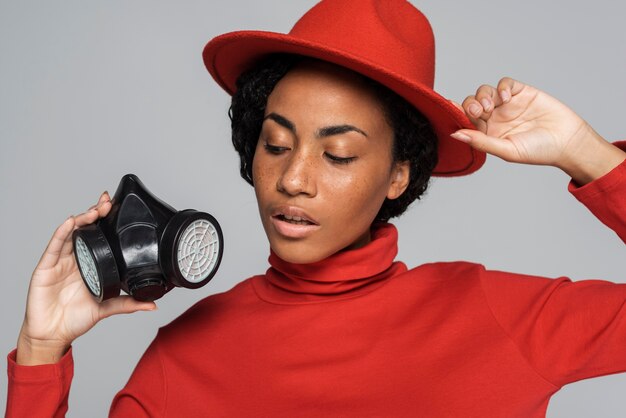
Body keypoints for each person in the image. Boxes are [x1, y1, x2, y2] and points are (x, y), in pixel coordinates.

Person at [6, 0, 626, 416]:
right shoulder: (183, 360)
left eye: (339, 154)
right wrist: (40, 352)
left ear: (398, 175)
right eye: (275, 144)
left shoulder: (497, 317)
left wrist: (588, 155)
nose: (292, 178)